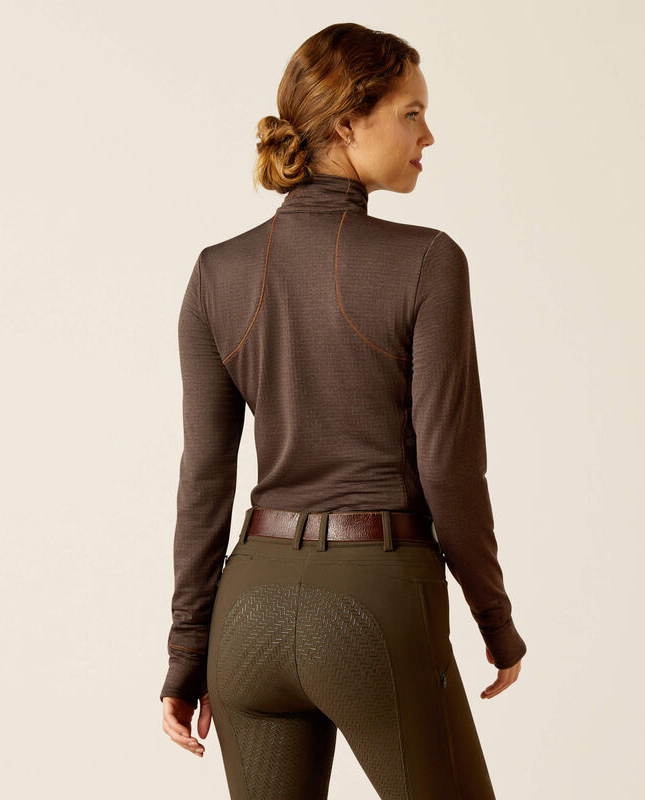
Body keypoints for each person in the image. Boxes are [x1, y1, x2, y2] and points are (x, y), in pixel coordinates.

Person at [159, 22, 527, 800]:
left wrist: (186, 658)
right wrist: (495, 620)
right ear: (347, 124)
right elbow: (450, 468)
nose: (428, 135)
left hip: (248, 615)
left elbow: (204, 478)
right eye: (411, 113)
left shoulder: (215, 274)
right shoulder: (427, 261)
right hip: (376, 603)